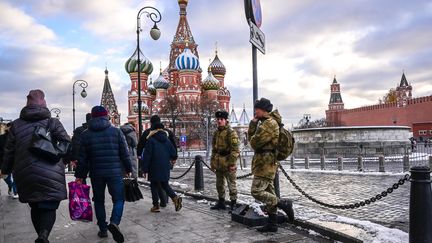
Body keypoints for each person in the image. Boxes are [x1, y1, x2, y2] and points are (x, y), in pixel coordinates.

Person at [0, 90, 71, 243]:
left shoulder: (17, 125)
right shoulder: (53, 122)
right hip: (50, 171)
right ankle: (43, 235)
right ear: (44, 103)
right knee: (49, 206)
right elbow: (66, 142)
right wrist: (57, 154)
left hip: (25, 172)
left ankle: (41, 236)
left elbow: (9, 151)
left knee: (35, 205)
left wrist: (5, 170)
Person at [74, 106, 132, 243]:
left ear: (92, 118)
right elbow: (125, 153)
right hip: (115, 172)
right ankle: (114, 222)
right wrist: (129, 168)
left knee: (99, 201)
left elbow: (82, 159)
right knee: (118, 199)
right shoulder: (116, 132)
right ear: (107, 116)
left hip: (96, 173)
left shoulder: (85, 134)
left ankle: (103, 229)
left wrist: (80, 176)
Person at [248, 98, 294, 233]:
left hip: (265, 163)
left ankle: (284, 204)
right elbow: (252, 140)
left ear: (263, 110)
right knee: (269, 193)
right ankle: (272, 224)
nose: (255, 111)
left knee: (256, 192)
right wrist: (253, 124)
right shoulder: (264, 123)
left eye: (257, 109)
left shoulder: (269, 124)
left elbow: (254, 143)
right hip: (264, 161)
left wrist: (254, 131)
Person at [137, 115, 178, 208]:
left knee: (154, 184)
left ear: (151, 123)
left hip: (153, 164)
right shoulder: (167, 134)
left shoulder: (148, 135)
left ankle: (156, 205)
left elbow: (144, 151)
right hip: (165, 162)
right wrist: (174, 158)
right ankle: (167, 200)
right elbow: (173, 147)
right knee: (164, 183)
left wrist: (143, 166)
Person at [210, 110, 240, 211]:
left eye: (221, 119)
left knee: (231, 184)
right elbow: (214, 149)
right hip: (219, 162)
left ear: (226, 120)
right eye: (218, 119)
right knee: (219, 184)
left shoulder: (231, 133)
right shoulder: (216, 133)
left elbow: (235, 150)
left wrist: (231, 163)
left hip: (228, 162)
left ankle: (233, 204)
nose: (219, 121)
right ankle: (221, 202)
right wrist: (212, 162)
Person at [0, 122, 18, 199]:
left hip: (16, 159)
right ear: (7, 128)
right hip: (4, 160)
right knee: (5, 177)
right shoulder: (1, 137)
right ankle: (10, 186)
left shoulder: (17, 137)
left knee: (16, 177)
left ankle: (15, 191)